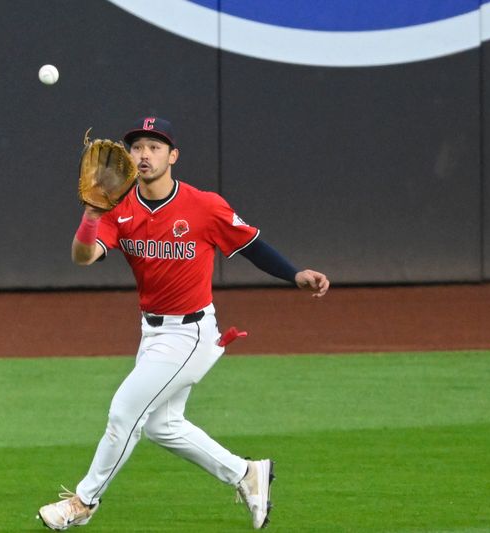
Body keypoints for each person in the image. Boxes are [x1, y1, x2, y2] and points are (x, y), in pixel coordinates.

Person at [37, 117, 329, 530]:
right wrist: (90, 213)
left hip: (191, 333)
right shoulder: (116, 206)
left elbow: (251, 245)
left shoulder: (204, 205)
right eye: (137, 146)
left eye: (155, 147)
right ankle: (246, 473)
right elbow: (83, 257)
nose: (144, 154)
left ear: (172, 156)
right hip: (152, 333)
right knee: (162, 425)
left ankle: (83, 502)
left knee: (124, 413)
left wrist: (294, 274)